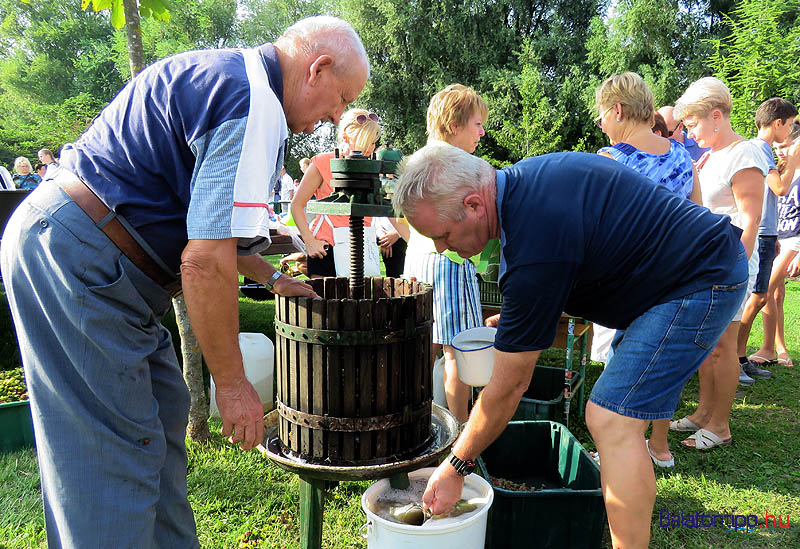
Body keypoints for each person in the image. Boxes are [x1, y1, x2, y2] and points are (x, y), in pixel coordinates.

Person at [0, 16, 368, 547]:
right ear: (318, 68)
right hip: (79, 259)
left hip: (97, 260)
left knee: (163, 413)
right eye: (341, 98)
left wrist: (269, 276)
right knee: (111, 454)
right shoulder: (250, 102)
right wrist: (235, 384)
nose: (335, 117)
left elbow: (212, 228)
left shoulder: (239, 84)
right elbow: (203, 262)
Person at [393, 144, 747, 549]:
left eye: (442, 235)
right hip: (669, 281)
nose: (441, 248)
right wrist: (521, 319)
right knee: (616, 423)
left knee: (612, 419)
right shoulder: (526, 186)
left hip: (700, 278)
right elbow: (576, 256)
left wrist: (456, 466)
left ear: (474, 205)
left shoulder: (533, 246)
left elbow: (508, 387)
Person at [594, 71, 702, 469]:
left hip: (630, 285)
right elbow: (698, 217)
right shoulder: (680, 155)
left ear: (618, 110)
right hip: (677, 282)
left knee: (623, 366)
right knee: (662, 366)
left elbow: (600, 232)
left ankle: (624, 448)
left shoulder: (612, 159)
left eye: (602, 116)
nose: (602, 125)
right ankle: (660, 447)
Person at [669, 77, 768, 450]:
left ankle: (720, 425)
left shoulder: (745, 154)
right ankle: (703, 413)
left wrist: (732, 267)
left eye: (693, 124)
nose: (691, 133)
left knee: (724, 346)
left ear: (715, 116)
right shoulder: (713, 154)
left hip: (732, 265)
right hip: (709, 264)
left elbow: (750, 219)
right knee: (708, 345)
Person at [403, 84, 487, 424]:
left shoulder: (418, 159)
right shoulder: (464, 165)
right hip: (451, 263)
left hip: (417, 260)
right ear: (455, 125)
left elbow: (402, 211)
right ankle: (460, 432)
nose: (482, 132)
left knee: (423, 346)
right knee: (458, 352)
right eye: (477, 124)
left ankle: (414, 420)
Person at [738, 100, 799, 376]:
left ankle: (740, 357)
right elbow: (780, 188)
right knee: (756, 296)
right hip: (760, 233)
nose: (789, 131)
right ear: (778, 123)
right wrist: (795, 159)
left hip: (767, 233)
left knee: (761, 296)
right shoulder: (759, 149)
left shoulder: (758, 149)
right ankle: (735, 358)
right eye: (788, 124)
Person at [290, 108, 382, 278]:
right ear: (346, 138)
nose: (371, 148)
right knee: (326, 303)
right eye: (365, 141)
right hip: (326, 248)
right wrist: (309, 241)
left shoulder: (372, 167)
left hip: (361, 245)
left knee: (361, 303)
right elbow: (297, 204)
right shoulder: (323, 162)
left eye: (373, 142)